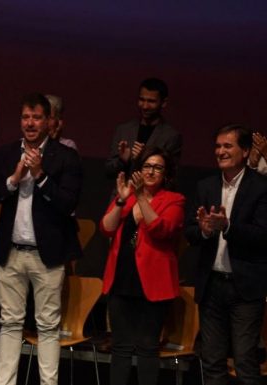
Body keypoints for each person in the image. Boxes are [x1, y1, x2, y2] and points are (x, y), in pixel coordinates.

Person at [0, 93, 83, 385]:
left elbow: (68, 203)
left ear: (49, 122)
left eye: (37, 117)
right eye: (26, 117)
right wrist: (13, 180)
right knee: (10, 324)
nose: (30, 123)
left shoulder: (65, 157)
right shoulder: (6, 153)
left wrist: (40, 176)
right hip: (11, 253)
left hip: (47, 255)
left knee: (48, 327)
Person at [185, 124, 267, 385]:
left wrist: (228, 226)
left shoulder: (261, 187)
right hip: (212, 285)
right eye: (218, 146)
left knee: (245, 361)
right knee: (211, 360)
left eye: (227, 146)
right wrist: (206, 231)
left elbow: (263, 235)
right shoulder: (206, 185)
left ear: (244, 151)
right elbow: (190, 232)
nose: (220, 151)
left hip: (244, 288)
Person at [100, 147, 185, 385]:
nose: (151, 171)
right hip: (121, 279)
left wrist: (139, 197)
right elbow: (106, 227)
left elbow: (161, 229)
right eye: (147, 166)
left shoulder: (174, 200)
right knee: (120, 347)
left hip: (153, 284)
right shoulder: (126, 196)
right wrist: (121, 199)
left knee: (148, 347)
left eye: (157, 167)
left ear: (166, 174)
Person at [105, 78, 181, 179]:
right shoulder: (124, 130)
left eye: (151, 101)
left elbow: (170, 176)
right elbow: (109, 172)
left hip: (151, 194)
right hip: (123, 193)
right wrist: (123, 161)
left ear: (163, 103)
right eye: (142, 100)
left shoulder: (171, 137)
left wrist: (144, 158)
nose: (145, 106)